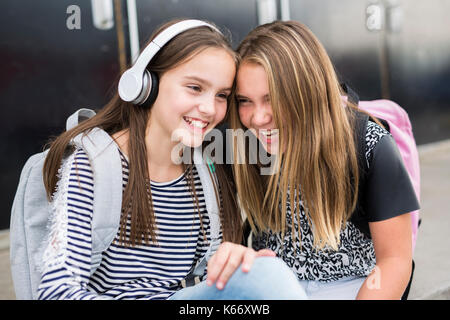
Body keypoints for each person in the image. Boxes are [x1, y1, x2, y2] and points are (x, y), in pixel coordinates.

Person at [37, 18, 306, 300]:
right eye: (194, 88)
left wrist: (239, 264)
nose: (208, 108)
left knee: (265, 270)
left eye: (222, 95)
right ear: (146, 84)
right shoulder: (94, 165)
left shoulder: (209, 168)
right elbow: (55, 292)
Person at [206, 20, 419, 300]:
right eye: (245, 101)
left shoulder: (368, 145)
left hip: (352, 285)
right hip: (271, 284)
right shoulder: (238, 140)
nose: (257, 119)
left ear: (307, 93)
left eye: (272, 98)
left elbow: (394, 262)